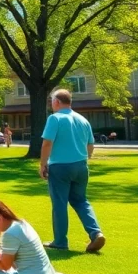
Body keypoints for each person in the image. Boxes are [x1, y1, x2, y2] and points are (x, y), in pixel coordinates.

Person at [40, 89, 105, 253]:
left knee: (59, 203)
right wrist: (84, 158)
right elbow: (90, 145)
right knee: (81, 200)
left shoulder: (54, 119)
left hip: (60, 167)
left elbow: (47, 143)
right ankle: (95, 232)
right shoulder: (83, 119)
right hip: (81, 166)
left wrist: (42, 164)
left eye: (51, 101)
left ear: (56, 102)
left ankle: (60, 241)